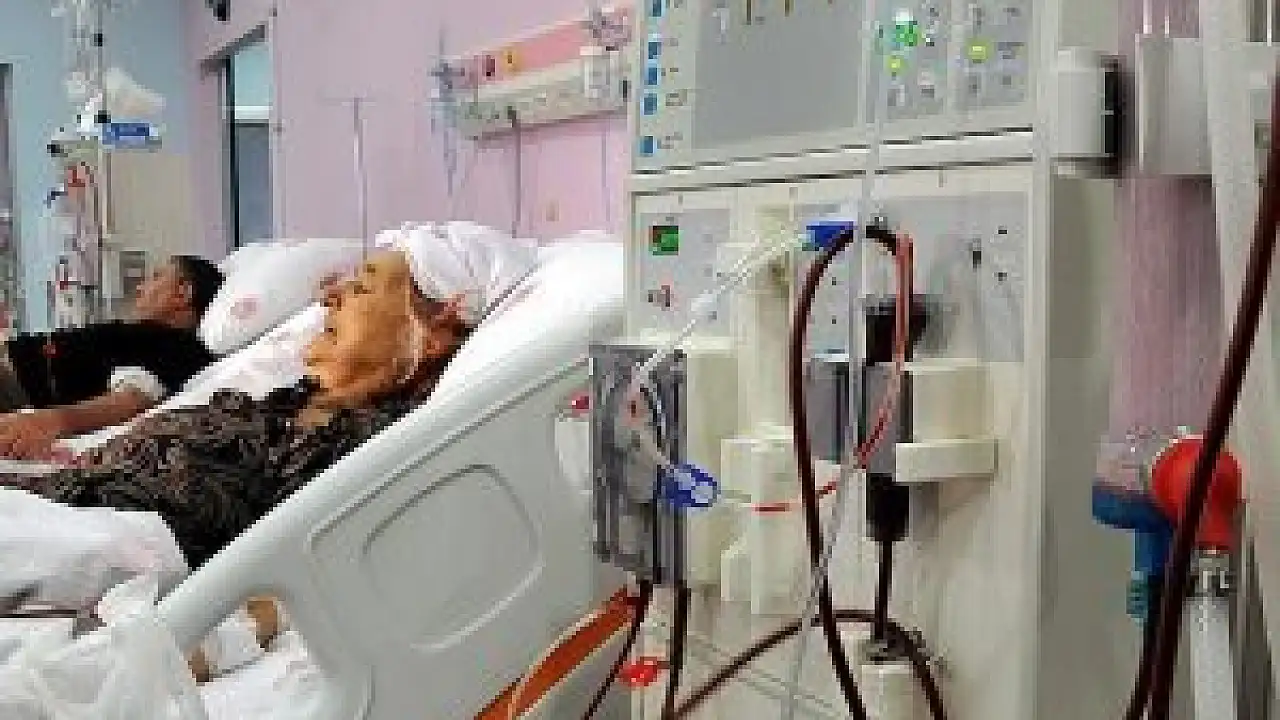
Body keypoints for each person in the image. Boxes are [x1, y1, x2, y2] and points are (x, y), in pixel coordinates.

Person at [11, 249, 478, 567]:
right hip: (60, 495)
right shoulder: (291, 400)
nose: (328, 298)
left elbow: (288, 567)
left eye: (362, 288)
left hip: (106, 534)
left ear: (431, 337)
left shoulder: (365, 444)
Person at [0, 255, 224, 459]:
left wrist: (50, 421)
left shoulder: (180, 346)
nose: (140, 287)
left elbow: (132, 398)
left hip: (12, 382)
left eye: (156, 277)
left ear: (183, 292)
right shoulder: (149, 335)